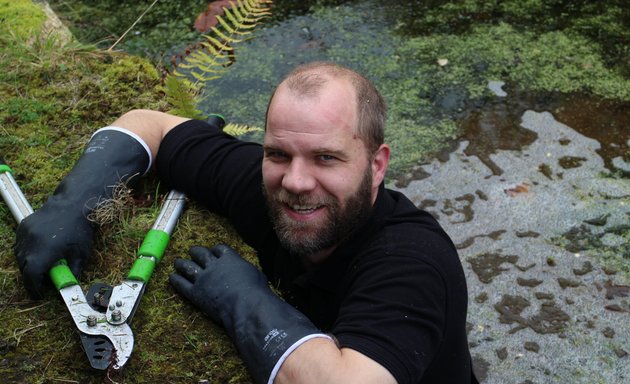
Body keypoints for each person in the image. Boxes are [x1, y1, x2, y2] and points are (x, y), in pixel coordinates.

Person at [15, 62, 475, 383]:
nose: (295, 182)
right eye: (277, 153)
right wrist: (73, 203)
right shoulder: (265, 186)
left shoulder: (412, 262)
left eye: (326, 158)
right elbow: (149, 124)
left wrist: (244, 302)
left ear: (377, 165)